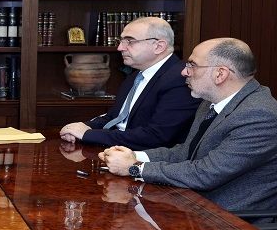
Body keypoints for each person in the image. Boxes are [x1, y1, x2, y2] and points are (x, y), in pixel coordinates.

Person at [100, 37, 277, 213]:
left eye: (192, 65)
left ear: (220, 74)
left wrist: (134, 168)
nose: (184, 72)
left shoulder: (260, 116)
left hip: (231, 227)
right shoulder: (211, 102)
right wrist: (134, 156)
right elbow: (187, 152)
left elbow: (205, 174)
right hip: (193, 206)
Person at [60, 16, 199, 150]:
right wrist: (82, 127)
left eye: (129, 41)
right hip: (117, 151)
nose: (120, 48)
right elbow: (114, 118)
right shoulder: (136, 76)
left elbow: (156, 137)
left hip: (148, 159)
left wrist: (88, 135)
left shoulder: (180, 79)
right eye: (121, 41)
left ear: (159, 46)